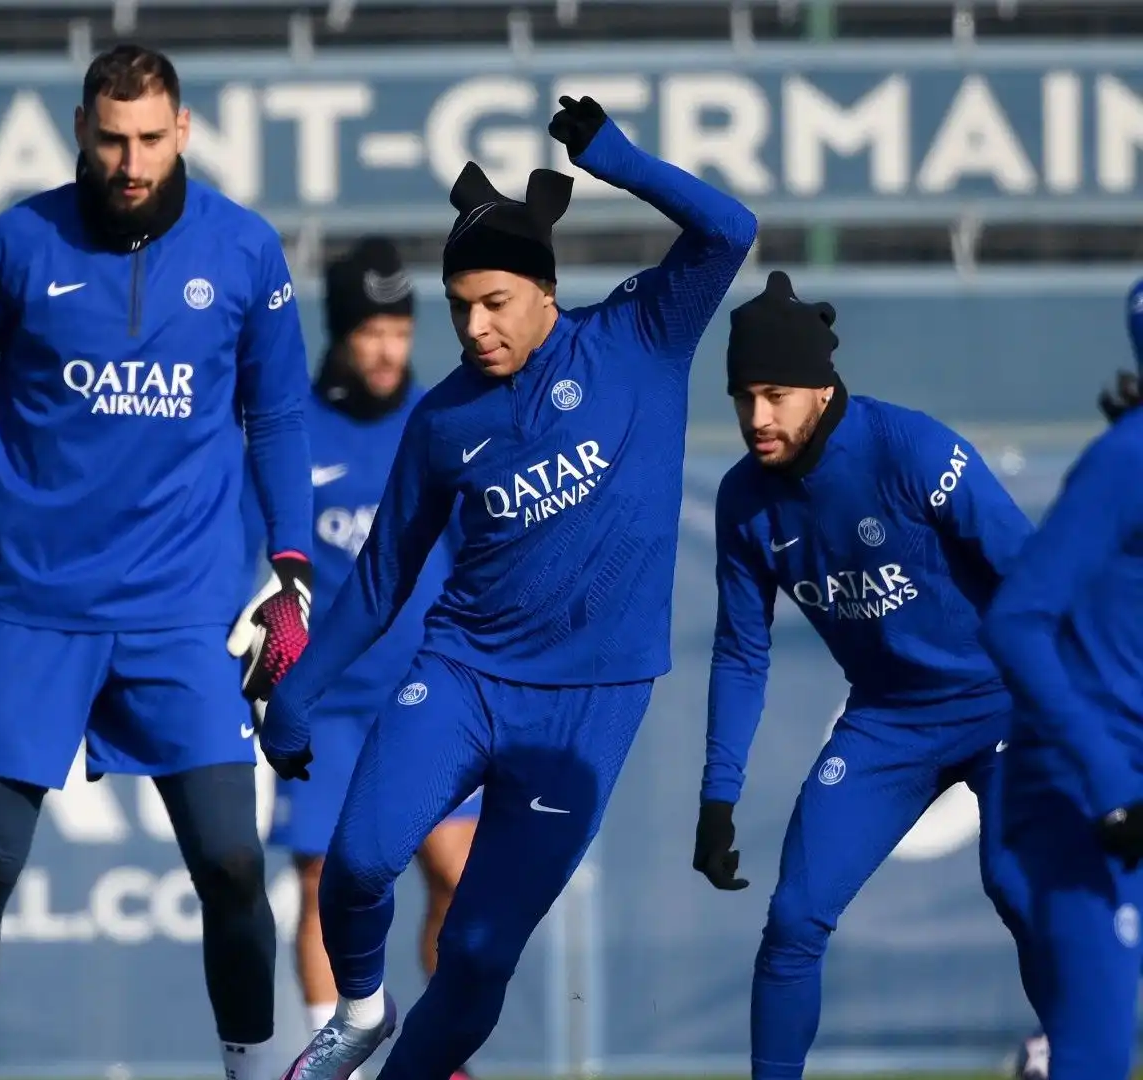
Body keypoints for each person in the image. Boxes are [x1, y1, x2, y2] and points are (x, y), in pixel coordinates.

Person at [0, 42, 312, 1080]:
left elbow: (277, 417)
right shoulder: (16, 243)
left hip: (179, 608)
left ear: (184, 132)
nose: (130, 162)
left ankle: (255, 1072)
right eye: (111, 139)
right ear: (80, 131)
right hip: (27, 608)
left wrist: (292, 563)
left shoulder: (248, 251)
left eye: (148, 140)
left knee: (230, 860)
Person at [262, 95, 758, 1080]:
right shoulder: (444, 419)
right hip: (465, 670)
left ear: (544, 292)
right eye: (458, 308)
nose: (474, 328)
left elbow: (729, 229)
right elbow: (384, 575)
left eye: (494, 304)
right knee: (356, 865)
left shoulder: (643, 337)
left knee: (479, 962)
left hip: (588, 707)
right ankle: (360, 1013)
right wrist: (300, 691)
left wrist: (618, 159)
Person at [697, 271, 1042, 1080]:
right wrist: (719, 796)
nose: (756, 418)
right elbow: (742, 652)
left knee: (1019, 889)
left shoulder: (911, 448)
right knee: (793, 919)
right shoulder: (743, 502)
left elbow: (1032, 575)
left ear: (819, 388)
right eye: (742, 397)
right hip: (888, 720)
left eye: (775, 394)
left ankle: (1069, 1053)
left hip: (1004, 705)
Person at [244, 238, 478, 1064]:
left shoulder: (444, 419)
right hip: (328, 706)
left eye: (400, 331)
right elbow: (259, 565)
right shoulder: (293, 434)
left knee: (460, 880)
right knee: (324, 886)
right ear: (339, 332)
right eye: (370, 331)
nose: (388, 348)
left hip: (427, 694)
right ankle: (327, 1055)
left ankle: (443, 1048)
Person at [981, 359, 1143, 1080]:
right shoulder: (1128, 458)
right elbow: (1015, 621)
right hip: (1095, 794)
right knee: (1097, 1055)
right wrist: (1108, 781)